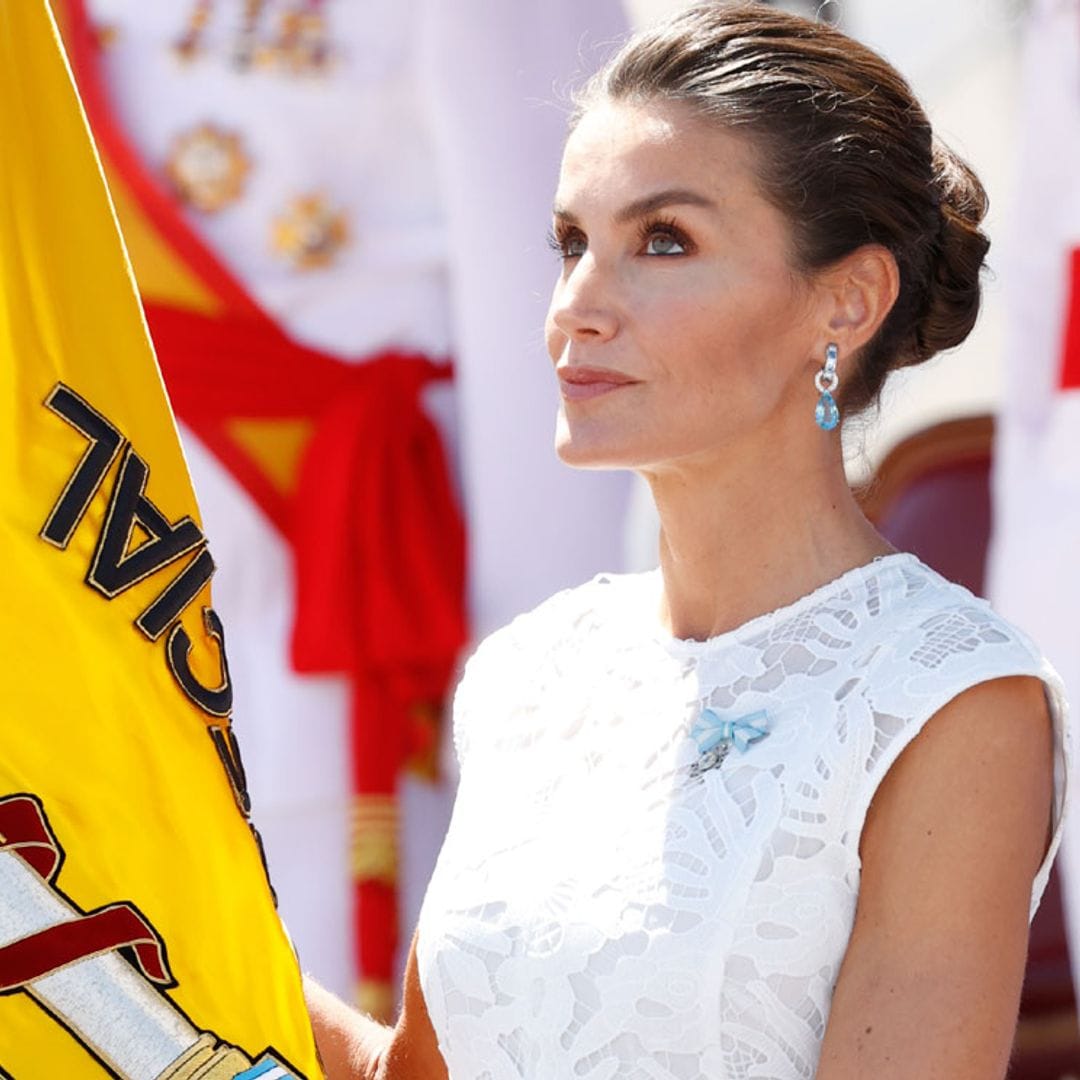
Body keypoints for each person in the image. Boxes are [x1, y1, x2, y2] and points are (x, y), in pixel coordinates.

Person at [304, 2, 1072, 1076]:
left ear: (847, 301)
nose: (578, 304)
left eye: (663, 241)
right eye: (573, 241)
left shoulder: (951, 701)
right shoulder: (531, 671)